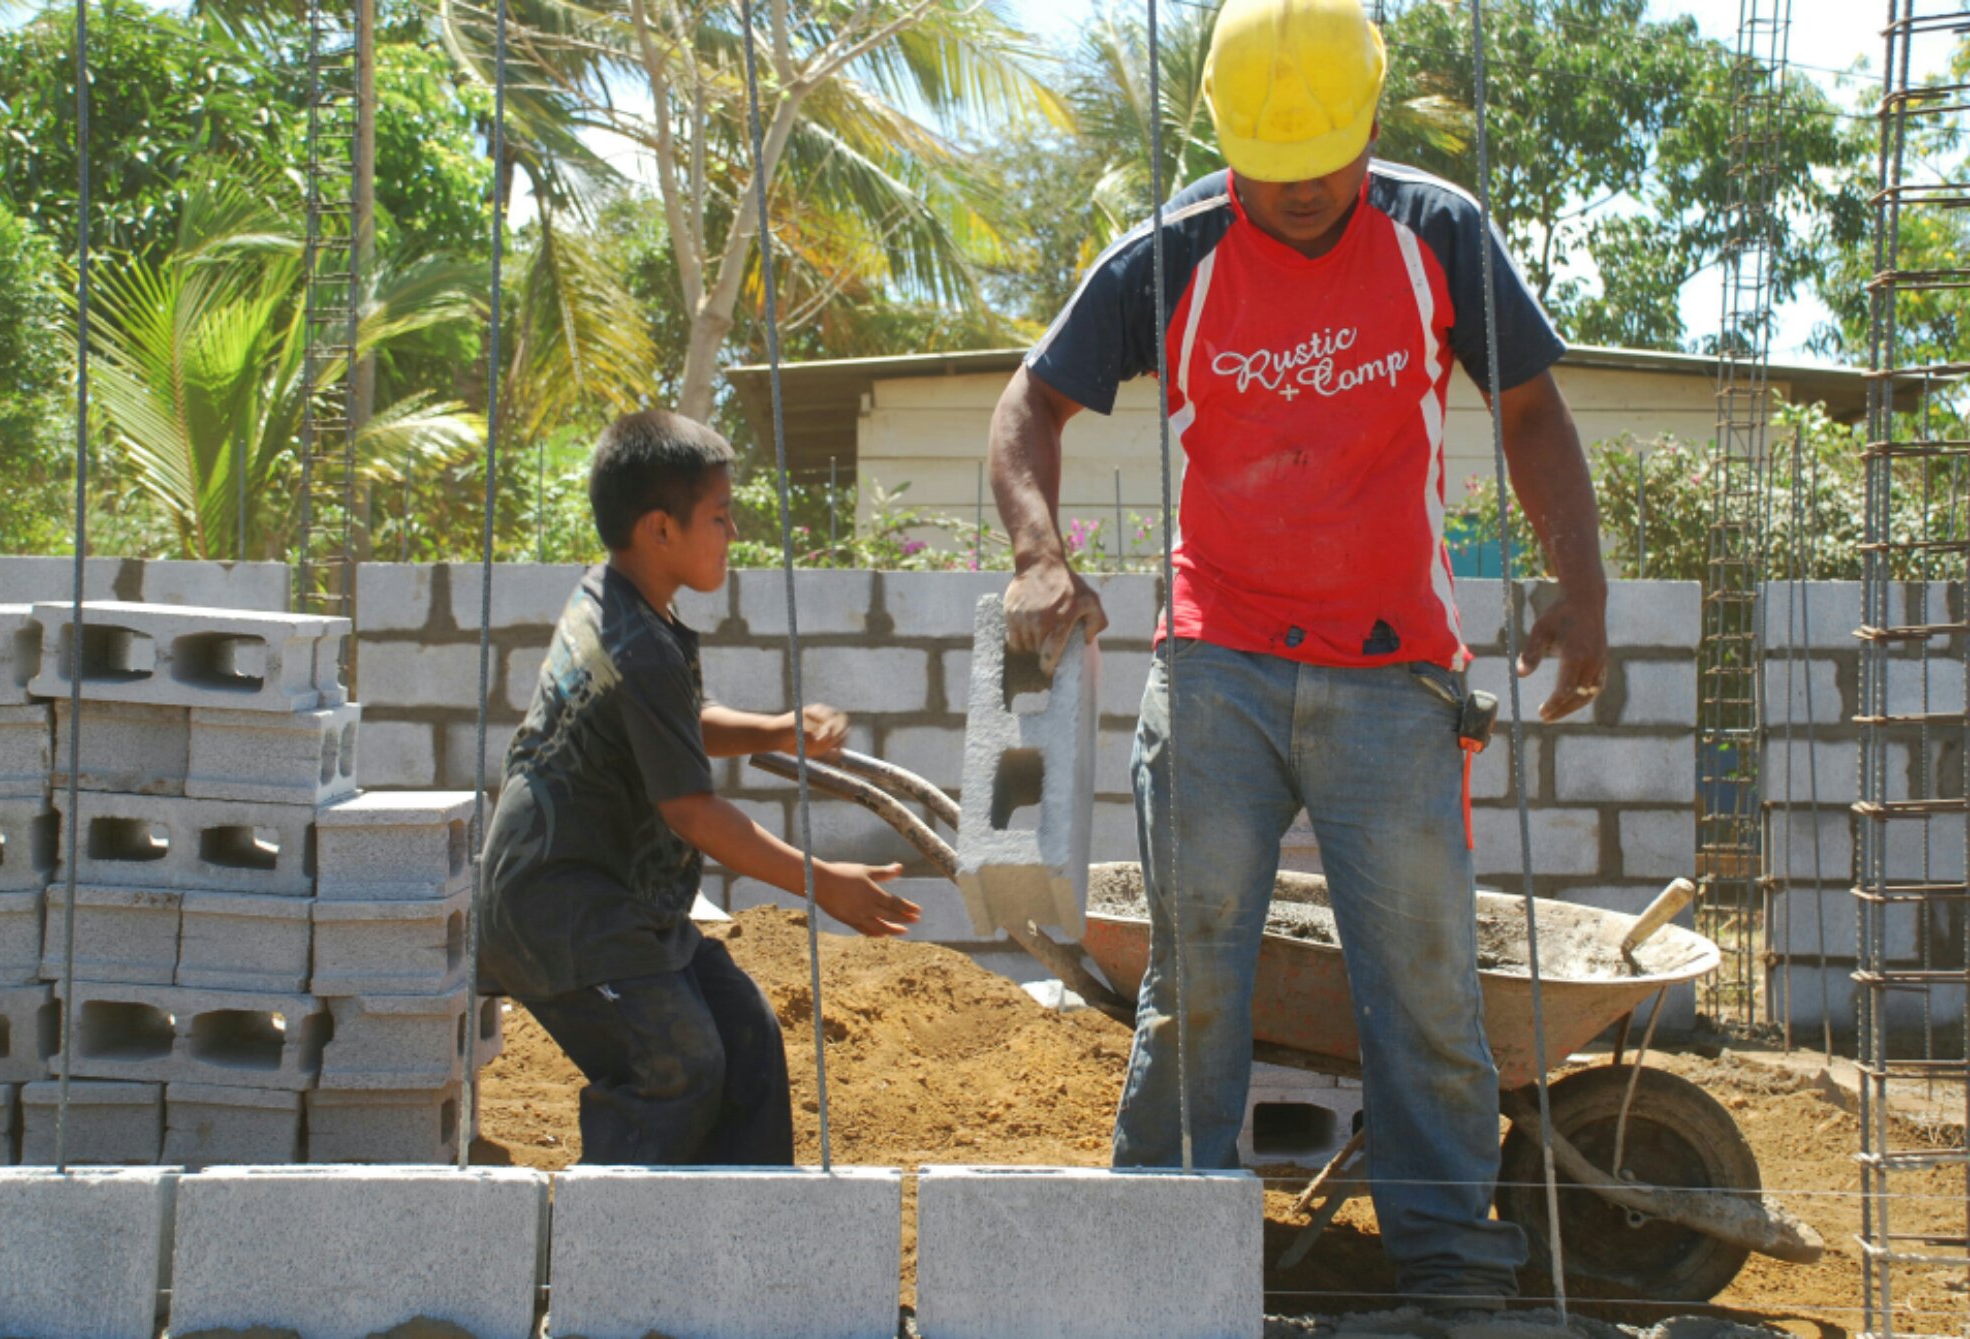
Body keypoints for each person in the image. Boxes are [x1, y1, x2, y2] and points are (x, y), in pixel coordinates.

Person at [987, 0, 1607, 1312]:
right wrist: (1039, 552)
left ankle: (1450, 1270)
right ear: (1225, 142)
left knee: (1425, 980)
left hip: (1396, 676)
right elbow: (1027, 402)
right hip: (1216, 666)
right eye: (1273, 169)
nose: (1303, 190)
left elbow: (1531, 411)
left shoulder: (1439, 233)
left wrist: (1580, 581)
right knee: (1196, 973)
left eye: (1325, 161)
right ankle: (1169, 1254)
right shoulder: (1171, 255)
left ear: (1370, 124)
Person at [475, 409, 921, 1165]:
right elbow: (691, 810)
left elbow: (669, 724)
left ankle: (746, 1224)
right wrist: (824, 881)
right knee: (676, 1066)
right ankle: (610, 1232)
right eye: (719, 516)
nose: (733, 532)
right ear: (661, 529)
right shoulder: (636, 644)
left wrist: (774, 729)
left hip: (616, 903)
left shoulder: (617, 601)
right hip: (559, 916)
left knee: (747, 1034)